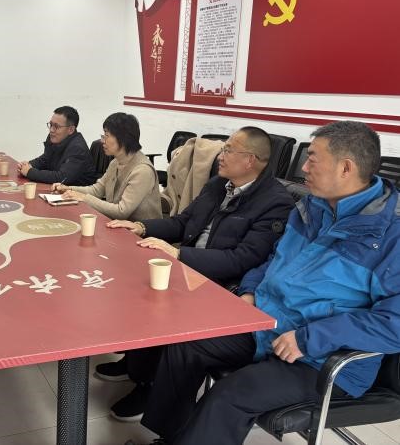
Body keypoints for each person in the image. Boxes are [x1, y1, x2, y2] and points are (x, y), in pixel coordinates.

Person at [126, 121, 400, 445]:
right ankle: (170, 437)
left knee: (230, 395)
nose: (303, 167)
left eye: (313, 158)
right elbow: (274, 258)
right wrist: (251, 290)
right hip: (267, 324)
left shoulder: (390, 237)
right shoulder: (312, 208)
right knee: (186, 344)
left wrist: (309, 338)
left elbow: (393, 323)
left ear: (345, 168)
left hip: (319, 357)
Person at [97, 127, 295, 421]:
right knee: (132, 279)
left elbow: (244, 259)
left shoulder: (275, 203)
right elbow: (182, 222)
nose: (220, 155)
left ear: (250, 160)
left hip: (226, 282)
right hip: (191, 266)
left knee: (160, 305)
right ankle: (134, 362)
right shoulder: (219, 184)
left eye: (228, 150)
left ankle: (148, 384)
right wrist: (142, 227)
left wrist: (179, 254)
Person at [53, 112, 162, 222]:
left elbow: (122, 211)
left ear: (123, 139)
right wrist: (69, 189)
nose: (102, 141)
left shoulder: (142, 170)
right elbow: (97, 190)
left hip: (141, 230)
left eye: (106, 135)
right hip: (117, 225)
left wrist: (84, 198)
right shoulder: (115, 163)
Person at [18, 106, 98, 186]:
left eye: (56, 126)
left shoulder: (78, 149)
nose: (51, 130)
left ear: (71, 130)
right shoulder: (55, 138)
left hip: (76, 191)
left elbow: (61, 178)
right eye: (51, 124)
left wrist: (30, 172)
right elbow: (45, 159)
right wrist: (28, 165)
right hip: (56, 189)